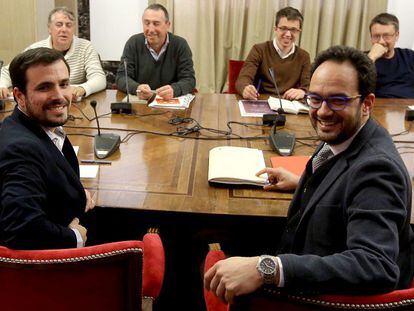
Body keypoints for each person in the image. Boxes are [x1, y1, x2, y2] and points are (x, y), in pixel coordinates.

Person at [204, 46, 414, 304]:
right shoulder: (345, 135)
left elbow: (375, 266)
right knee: (210, 232)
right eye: (315, 99)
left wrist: (268, 268)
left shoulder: (378, 170)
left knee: (194, 239)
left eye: (338, 100)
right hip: (305, 253)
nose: (323, 111)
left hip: (315, 297)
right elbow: (346, 186)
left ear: (366, 103)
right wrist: (303, 182)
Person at [0, 47, 95, 250]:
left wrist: (75, 192)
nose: (59, 96)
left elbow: (49, 172)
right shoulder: (21, 149)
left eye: (64, 84)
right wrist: (74, 237)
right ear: (19, 96)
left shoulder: (32, 126)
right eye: (44, 88)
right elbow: (20, 228)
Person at [0, 7, 106, 101]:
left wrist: (84, 88)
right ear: (49, 29)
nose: (64, 29)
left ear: (74, 29)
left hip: (74, 105)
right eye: (59, 25)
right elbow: (6, 72)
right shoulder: (36, 49)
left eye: (68, 25)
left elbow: (99, 78)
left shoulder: (86, 47)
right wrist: (2, 86)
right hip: (45, 102)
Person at [116, 3, 195, 101]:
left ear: (167, 25)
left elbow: (189, 79)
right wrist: (137, 88)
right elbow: (121, 77)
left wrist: (175, 90)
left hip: (170, 106)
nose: (151, 29)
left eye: (156, 23)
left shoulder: (180, 45)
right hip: (141, 105)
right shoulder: (133, 43)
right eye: (147, 23)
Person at [236, 6, 310, 101]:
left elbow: (308, 87)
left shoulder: (304, 56)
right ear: (275, 29)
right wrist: (245, 88)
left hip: (289, 105)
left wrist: (302, 91)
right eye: (283, 28)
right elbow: (243, 79)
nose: (288, 34)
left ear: (299, 32)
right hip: (261, 102)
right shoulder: (259, 50)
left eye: (293, 30)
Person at [367, 13, 414, 98]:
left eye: (386, 36)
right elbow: (352, 86)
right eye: (376, 36)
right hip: (378, 108)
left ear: (396, 35)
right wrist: (371, 58)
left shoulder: (409, 56)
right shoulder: (363, 59)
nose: (381, 41)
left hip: (408, 108)